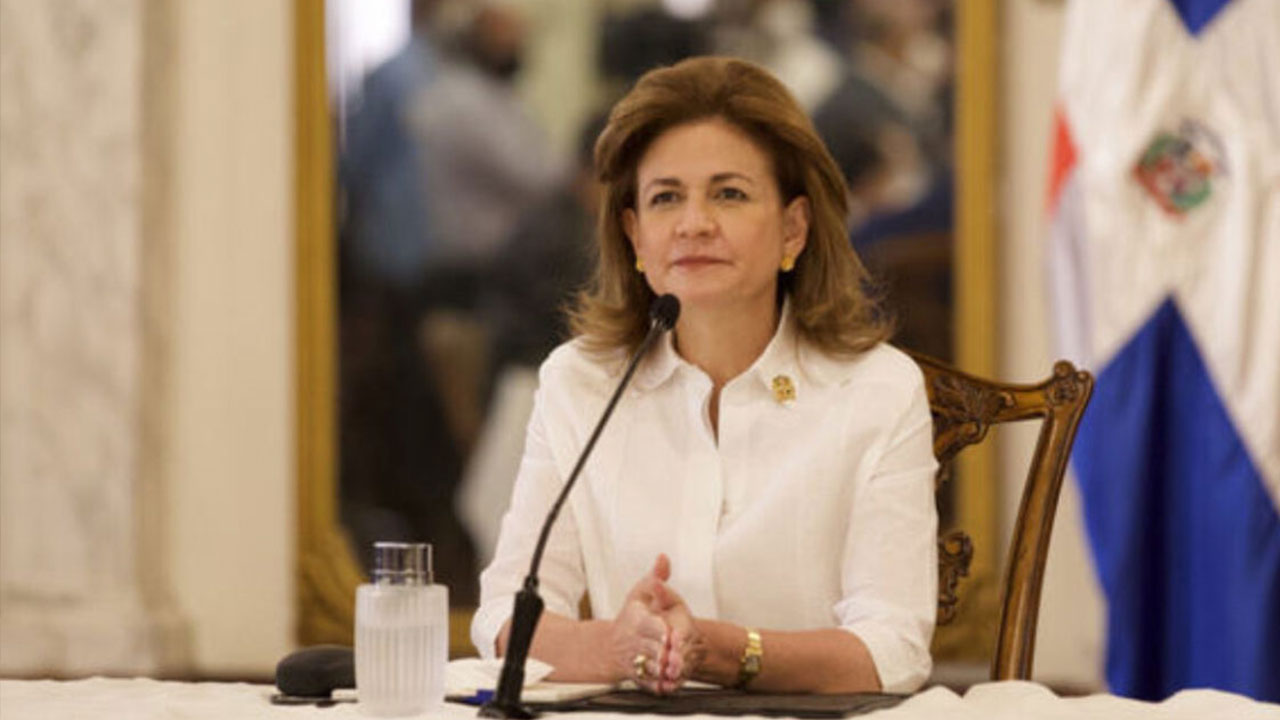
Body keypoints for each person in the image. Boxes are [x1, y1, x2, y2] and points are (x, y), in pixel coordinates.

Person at [471, 56, 938, 695]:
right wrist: (619, 648)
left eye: (729, 194)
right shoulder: (580, 382)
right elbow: (505, 616)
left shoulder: (878, 390)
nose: (694, 223)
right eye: (666, 198)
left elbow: (892, 650)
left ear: (793, 229)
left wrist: (721, 651)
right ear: (635, 234)